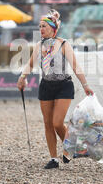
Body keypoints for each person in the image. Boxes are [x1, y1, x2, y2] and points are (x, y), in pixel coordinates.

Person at [17, 9, 94, 169]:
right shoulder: (39, 45)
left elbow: (75, 65)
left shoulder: (64, 44)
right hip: (46, 86)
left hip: (63, 85)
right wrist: (23, 76)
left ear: (53, 28)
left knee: (57, 122)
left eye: (44, 26)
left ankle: (71, 146)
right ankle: (54, 159)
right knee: (48, 124)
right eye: (39, 26)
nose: (41, 29)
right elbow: (31, 64)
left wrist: (85, 85)